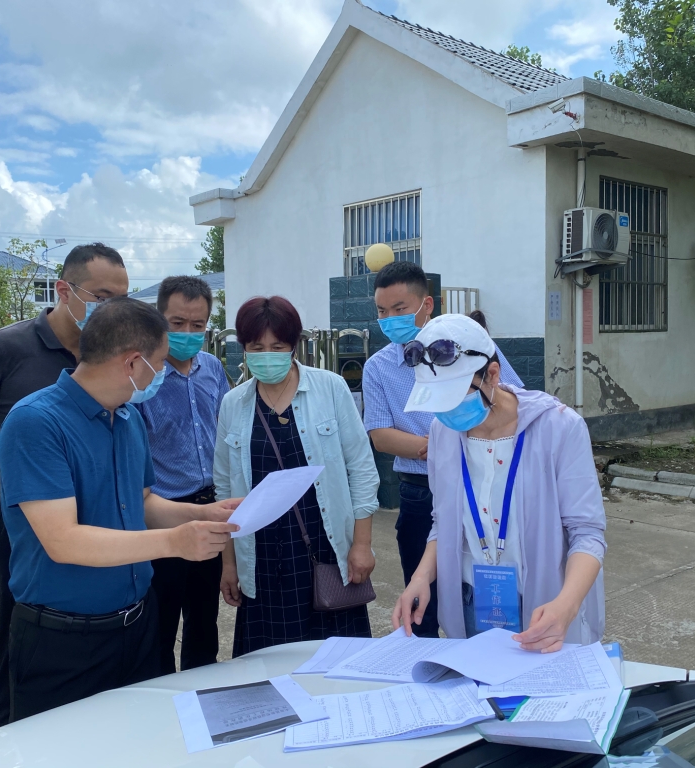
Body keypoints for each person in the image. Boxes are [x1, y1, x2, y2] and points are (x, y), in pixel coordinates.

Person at [0, 297, 240, 722]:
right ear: (132, 363)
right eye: (158, 364)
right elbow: (63, 540)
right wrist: (174, 543)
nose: (161, 373)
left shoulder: (126, 419)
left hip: (136, 626)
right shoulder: (36, 423)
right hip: (65, 638)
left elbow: (143, 503)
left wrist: (206, 514)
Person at [0, 242, 129, 730]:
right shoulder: (5, 348)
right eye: (101, 296)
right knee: (23, 656)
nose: (111, 309)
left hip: (102, 523)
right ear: (63, 290)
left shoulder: (112, 353)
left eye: (121, 299)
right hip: (30, 530)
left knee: (97, 661)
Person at [389, 314, 606, 647]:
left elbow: (587, 533)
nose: (447, 412)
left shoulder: (559, 428)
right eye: (437, 402)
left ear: (492, 374)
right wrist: (420, 577)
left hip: (548, 605)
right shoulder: (443, 432)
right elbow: (443, 522)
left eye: (455, 397)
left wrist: (567, 605)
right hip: (473, 601)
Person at [362, 261, 523, 637]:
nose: (389, 319)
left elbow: (511, 402)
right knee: (423, 603)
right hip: (421, 491)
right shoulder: (378, 367)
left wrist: (457, 446)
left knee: (489, 596)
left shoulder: (474, 347)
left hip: (484, 481)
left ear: (427, 304)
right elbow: (381, 435)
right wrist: (441, 446)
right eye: (382, 311)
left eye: (399, 309)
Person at [215, 296, 380, 656]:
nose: (267, 355)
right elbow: (225, 491)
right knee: (268, 664)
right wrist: (229, 564)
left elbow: (361, 469)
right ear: (243, 348)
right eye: (256, 347)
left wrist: (361, 545)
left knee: (335, 663)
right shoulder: (234, 404)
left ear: (293, 346)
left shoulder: (330, 388)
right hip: (260, 555)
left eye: (277, 347)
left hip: (324, 546)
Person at [133, 276, 230, 673]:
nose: (188, 333)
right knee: (159, 621)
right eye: (177, 323)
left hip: (210, 508)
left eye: (197, 325)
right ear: (159, 319)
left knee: (204, 619)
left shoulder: (213, 368)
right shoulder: (143, 378)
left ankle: (200, 688)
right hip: (162, 513)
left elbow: (226, 428)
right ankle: (161, 695)